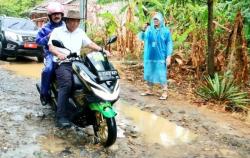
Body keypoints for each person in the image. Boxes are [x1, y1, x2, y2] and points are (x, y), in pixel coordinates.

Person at [48, 10, 110, 128]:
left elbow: (89, 44)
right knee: (66, 84)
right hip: (63, 62)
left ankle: (87, 105)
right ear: (66, 21)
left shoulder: (80, 32)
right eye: (72, 21)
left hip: (78, 62)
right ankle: (61, 116)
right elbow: (51, 47)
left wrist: (102, 50)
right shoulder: (57, 31)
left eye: (77, 21)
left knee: (91, 80)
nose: (75, 24)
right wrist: (59, 54)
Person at [139, 12, 173, 100]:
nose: (155, 21)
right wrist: (143, 30)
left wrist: (168, 56)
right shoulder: (149, 30)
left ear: (161, 20)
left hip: (160, 56)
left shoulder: (166, 31)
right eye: (154, 19)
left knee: (161, 74)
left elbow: (169, 43)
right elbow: (143, 38)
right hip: (149, 55)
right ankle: (149, 90)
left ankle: (164, 92)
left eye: (157, 19)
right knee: (149, 73)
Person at [36, 2, 65, 105]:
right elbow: (38, 41)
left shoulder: (66, 26)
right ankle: (44, 94)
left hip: (66, 52)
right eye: (54, 14)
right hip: (50, 53)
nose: (57, 16)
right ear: (50, 16)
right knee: (48, 70)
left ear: (62, 15)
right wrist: (47, 37)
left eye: (58, 14)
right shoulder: (45, 28)